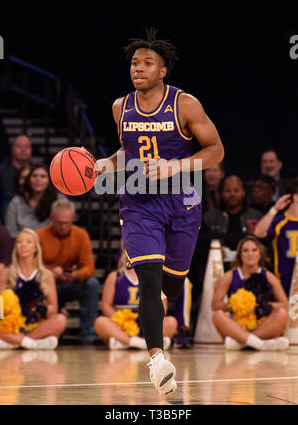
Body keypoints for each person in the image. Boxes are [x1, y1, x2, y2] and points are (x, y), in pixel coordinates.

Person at [95, 28, 224, 396]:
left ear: (163, 70)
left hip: (182, 202)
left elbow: (215, 150)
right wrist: (108, 163)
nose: (139, 68)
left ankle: (156, 330)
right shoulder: (121, 107)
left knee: (171, 285)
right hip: (138, 202)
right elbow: (128, 154)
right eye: (135, 62)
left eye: (148, 63)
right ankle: (157, 360)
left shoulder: (185, 104)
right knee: (148, 279)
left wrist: (175, 166)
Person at [36, 199, 99, 345]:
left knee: (92, 284)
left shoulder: (81, 235)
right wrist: (48, 272)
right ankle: (42, 334)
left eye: (67, 222)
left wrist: (76, 274)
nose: (63, 226)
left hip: (69, 282)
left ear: (73, 219)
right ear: (51, 218)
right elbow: (31, 265)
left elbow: (89, 267)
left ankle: (87, 337)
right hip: (45, 286)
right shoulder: (39, 235)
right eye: (59, 222)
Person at [212, 235, 289, 351]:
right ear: (240, 255)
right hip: (238, 325)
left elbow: (284, 304)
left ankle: (243, 342)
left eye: (254, 250)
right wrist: (236, 305)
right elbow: (215, 305)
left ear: (260, 254)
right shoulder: (230, 275)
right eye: (246, 251)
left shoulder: (268, 276)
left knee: (282, 314)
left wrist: (260, 304)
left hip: (262, 324)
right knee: (217, 315)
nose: (250, 254)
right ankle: (260, 344)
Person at [94, 243, 177, 350]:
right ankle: (142, 343)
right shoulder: (115, 276)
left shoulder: (155, 276)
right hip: (122, 324)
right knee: (100, 322)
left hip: (148, 323)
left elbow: (163, 306)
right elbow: (106, 305)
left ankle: (123, 342)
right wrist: (122, 320)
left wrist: (150, 319)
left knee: (171, 322)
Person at [0, 228, 67, 349]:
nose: (23, 245)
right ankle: (31, 343)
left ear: (36, 248)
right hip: (11, 326)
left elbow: (53, 308)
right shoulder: (6, 273)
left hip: (35, 324)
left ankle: (18, 342)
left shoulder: (46, 274)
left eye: (28, 242)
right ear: (16, 248)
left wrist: (42, 309)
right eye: (19, 242)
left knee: (60, 319)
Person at [203, 175, 263, 267]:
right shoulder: (209, 217)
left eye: (236, 190)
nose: (232, 194)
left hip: (249, 267)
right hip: (219, 267)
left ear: (243, 193)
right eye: (228, 191)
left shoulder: (256, 216)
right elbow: (200, 246)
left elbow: (264, 245)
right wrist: (213, 250)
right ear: (222, 193)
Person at [253, 177, 298, 297]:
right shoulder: (280, 221)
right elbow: (258, 233)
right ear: (295, 197)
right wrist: (275, 209)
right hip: (284, 283)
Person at [5, 165, 63, 239]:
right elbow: (11, 231)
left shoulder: (59, 201)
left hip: (50, 244)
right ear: (29, 179)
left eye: (43, 176)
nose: (38, 179)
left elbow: (62, 228)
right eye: (34, 176)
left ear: (49, 181)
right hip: (23, 245)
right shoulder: (16, 201)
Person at [0, 135, 33, 222]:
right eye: (19, 147)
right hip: (5, 218)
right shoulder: (0, 171)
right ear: (12, 149)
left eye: (27, 147)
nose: (23, 150)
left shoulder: (36, 172)